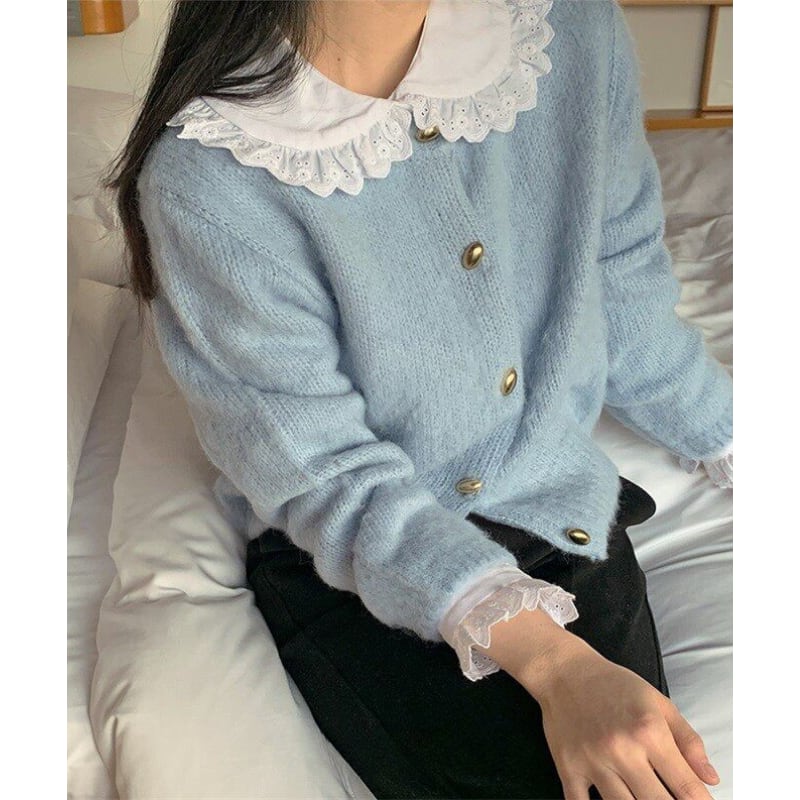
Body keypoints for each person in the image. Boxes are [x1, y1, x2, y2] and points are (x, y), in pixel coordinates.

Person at [108, 1, 733, 797]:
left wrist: (729, 437)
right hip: (351, 564)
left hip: (559, 511)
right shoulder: (210, 175)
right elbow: (322, 473)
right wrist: (556, 665)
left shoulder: (570, 33)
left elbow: (622, 284)